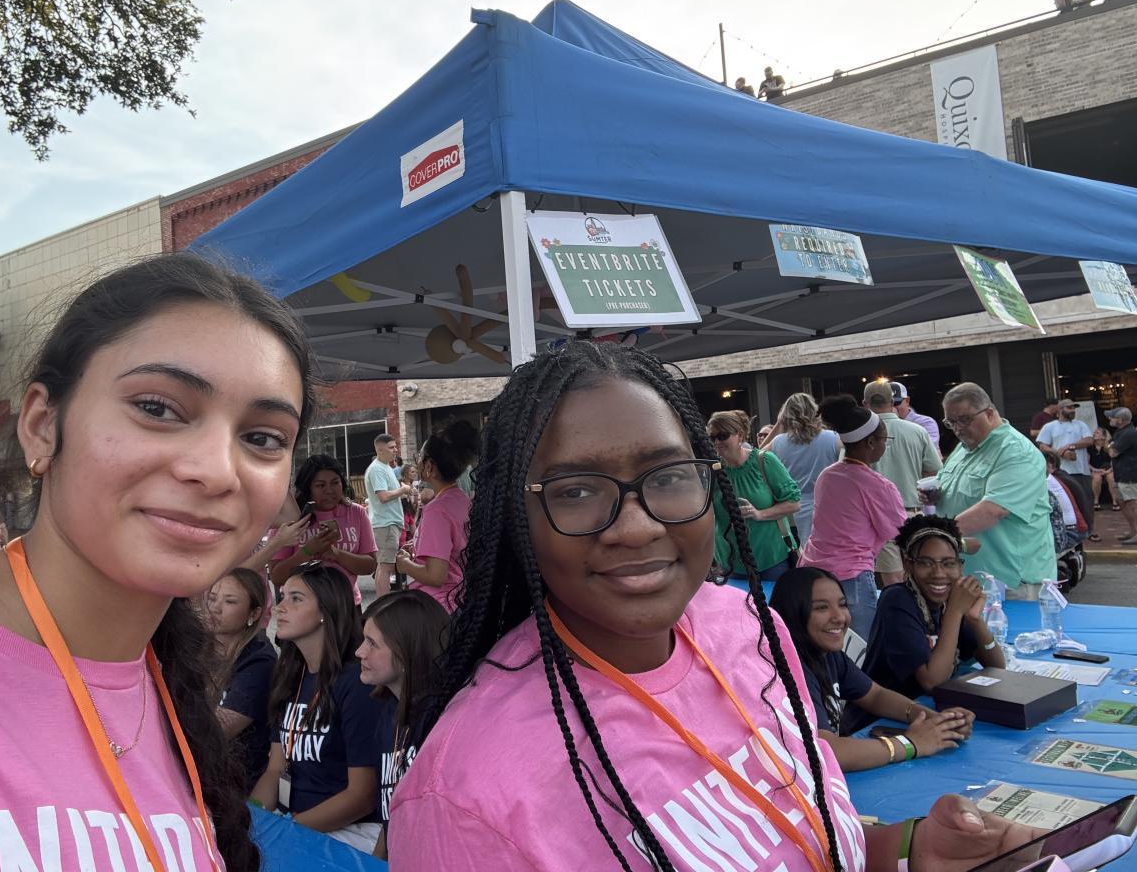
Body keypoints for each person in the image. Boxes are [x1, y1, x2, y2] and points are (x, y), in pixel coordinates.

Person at [391, 341, 1036, 872]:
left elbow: (790, 836)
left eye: (669, 476)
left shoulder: (747, 625)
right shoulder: (466, 802)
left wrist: (906, 851)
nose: (637, 526)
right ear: (515, 517)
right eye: (576, 490)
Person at [0, 253, 315, 870]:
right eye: (157, 408)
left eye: (262, 438)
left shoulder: (175, 695)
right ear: (42, 425)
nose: (215, 471)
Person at [770, 567, 973, 772]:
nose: (839, 617)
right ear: (793, 613)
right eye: (821, 608)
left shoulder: (826, 653)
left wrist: (935, 720)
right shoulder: (788, 669)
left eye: (842, 604)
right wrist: (911, 744)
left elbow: (875, 695)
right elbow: (827, 752)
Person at [251, 564, 382, 853]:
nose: (281, 607)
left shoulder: (356, 682)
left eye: (296, 598)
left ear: (327, 609)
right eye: (282, 597)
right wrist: (253, 819)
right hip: (292, 823)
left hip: (348, 833)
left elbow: (361, 796)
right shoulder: (290, 676)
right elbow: (275, 770)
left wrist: (285, 830)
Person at [859, 515, 1005, 732]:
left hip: (930, 712)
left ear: (960, 566)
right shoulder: (897, 600)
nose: (938, 574)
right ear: (908, 564)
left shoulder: (950, 600)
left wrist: (975, 620)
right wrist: (955, 612)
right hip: (884, 720)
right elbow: (931, 682)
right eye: (926, 563)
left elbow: (997, 667)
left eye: (948, 564)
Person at [933, 383, 1055, 598]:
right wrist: (935, 493)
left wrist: (935, 535)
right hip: (972, 578)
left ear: (989, 413)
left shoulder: (1015, 452)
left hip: (1009, 583)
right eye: (950, 422)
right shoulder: (964, 447)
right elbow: (947, 485)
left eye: (964, 419)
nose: (958, 428)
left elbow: (993, 510)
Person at [801, 395, 905, 640]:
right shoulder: (878, 485)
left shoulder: (828, 475)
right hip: (851, 578)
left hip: (813, 572)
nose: (885, 445)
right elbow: (900, 531)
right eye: (885, 439)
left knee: (824, 646)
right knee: (860, 650)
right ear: (871, 442)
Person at [356, 589, 450, 860]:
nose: (359, 652)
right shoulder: (389, 713)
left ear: (407, 651)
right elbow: (390, 819)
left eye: (372, 643)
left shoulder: (440, 725)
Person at [394, 420, 479, 611]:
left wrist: (405, 564)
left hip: (438, 606)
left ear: (429, 467)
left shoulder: (436, 510)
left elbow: (435, 576)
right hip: (460, 600)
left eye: (420, 457)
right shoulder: (461, 499)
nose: (417, 462)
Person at [268, 454, 375, 604]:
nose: (329, 490)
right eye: (320, 485)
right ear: (308, 488)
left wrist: (337, 554)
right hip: (301, 608)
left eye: (335, 482)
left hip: (347, 604)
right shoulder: (291, 518)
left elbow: (370, 565)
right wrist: (308, 551)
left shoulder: (356, 513)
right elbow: (276, 577)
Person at [708, 409, 801, 579]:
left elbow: (793, 503)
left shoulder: (764, 461)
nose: (717, 442)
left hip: (771, 559)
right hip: (730, 563)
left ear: (740, 436)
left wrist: (759, 514)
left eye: (722, 436)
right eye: (712, 437)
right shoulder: (712, 471)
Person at [207, 567, 277, 791]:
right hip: (196, 772)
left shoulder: (259, 660)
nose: (215, 608)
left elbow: (217, 730)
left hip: (235, 784)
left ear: (254, 614)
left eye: (230, 601)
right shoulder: (197, 648)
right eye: (212, 598)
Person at [866, 381, 941, 586]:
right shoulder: (917, 430)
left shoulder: (860, 436)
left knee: (893, 582)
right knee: (919, 577)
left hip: (878, 518)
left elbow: (848, 474)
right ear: (893, 402)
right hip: (912, 513)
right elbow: (934, 470)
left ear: (865, 404)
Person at [766, 392, 843, 544]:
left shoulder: (777, 443)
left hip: (793, 512)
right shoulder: (833, 438)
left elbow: (755, 457)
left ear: (784, 416)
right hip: (828, 508)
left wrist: (778, 426)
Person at [366, 433, 414, 597]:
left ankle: (383, 602)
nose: (395, 450)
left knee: (384, 566)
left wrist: (402, 491)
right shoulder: (377, 469)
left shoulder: (385, 467)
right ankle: (384, 603)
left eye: (395, 447)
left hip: (388, 523)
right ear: (380, 450)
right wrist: (403, 489)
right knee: (386, 567)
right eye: (391, 447)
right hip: (385, 524)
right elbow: (383, 496)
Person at [1036, 397, 1095, 508]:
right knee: (1065, 504)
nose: (1073, 410)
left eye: (1074, 408)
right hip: (1060, 471)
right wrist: (1060, 453)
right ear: (1060, 409)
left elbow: (1089, 440)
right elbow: (1042, 446)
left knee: (1086, 504)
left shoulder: (1081, 424)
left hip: (1081, 472)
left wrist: (1070, 446)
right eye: (1069, 408)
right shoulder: (1050, 426)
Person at [1108, 407, 1137, 544]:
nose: (1110, 419)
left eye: (1112, 417)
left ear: (1120, 419)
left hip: (1129, 474)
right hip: (1120, 473)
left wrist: (1108, 445)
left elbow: (1113, 453)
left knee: (1132, 504)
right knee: (1121, 501)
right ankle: (1133, 531)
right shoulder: (1121, 432)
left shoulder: (1128, 433)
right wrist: (1111, 445)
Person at [890, 382, 940, 449]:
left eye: (896, 403)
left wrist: (895, 421)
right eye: (888, 404)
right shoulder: (881, 423)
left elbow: (928, 448)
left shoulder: (926, 422)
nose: (892, 408)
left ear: (907, 401)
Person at [1089, 427, 1118, 512]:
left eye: (1097, 433)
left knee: (1111, 477)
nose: (1094, 434)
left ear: (1103, 436)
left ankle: (1115, 501)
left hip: (1108, 469)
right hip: (1095, 469)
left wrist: (1109, 470)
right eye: (1094, 432)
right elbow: (1087, 463)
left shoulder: (1109, 446)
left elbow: (1114, 460)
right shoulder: (1090, 447)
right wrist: (1096, 470)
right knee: (1097, 478)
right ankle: (1096, 501)